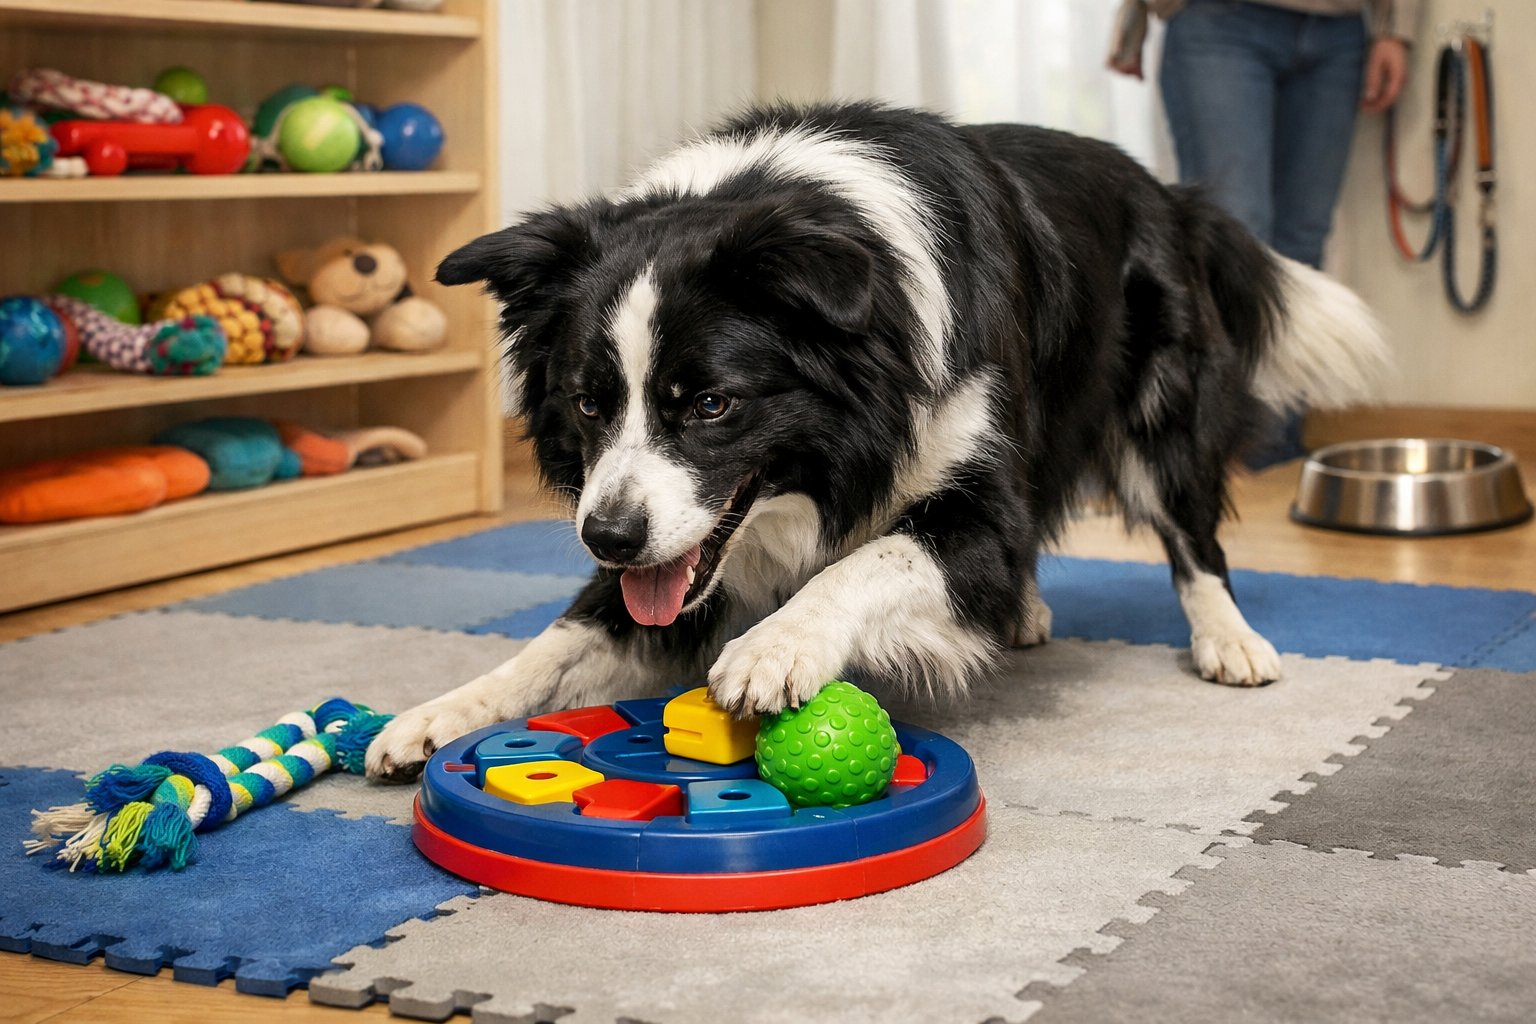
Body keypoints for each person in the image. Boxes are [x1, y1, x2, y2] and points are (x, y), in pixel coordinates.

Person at [1109, 0, 1417, 464]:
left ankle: (1275, 446)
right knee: (1234, 238)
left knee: (1304, 241)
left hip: (1341, 28)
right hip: (1217, 22)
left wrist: (1396, 30)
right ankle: (1223, 447)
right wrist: (1132, 23)